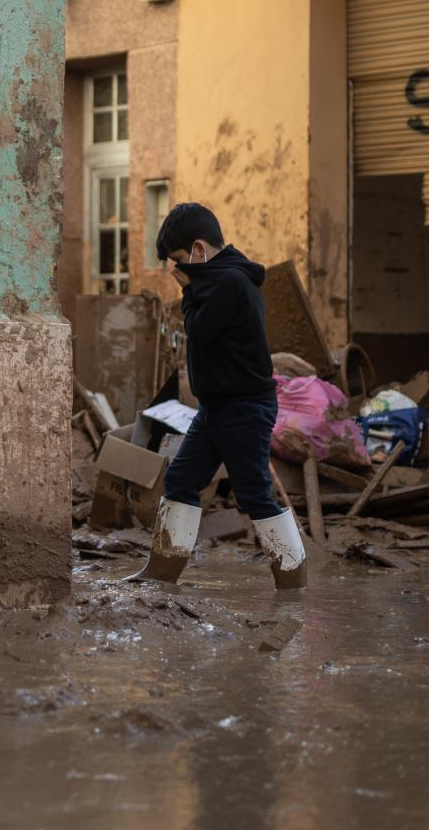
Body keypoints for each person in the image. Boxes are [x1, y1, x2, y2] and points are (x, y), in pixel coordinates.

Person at [128, 202, 307, 589]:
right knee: (180, 480)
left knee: (254, 493)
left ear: (199, 248)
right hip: (215, 409)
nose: (177, 270)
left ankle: (292, 581)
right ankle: (162, 572)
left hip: (244, 408)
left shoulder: (229, 282)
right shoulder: (222, 279)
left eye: (179, 260)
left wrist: (189, 292)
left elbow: (201, 331)